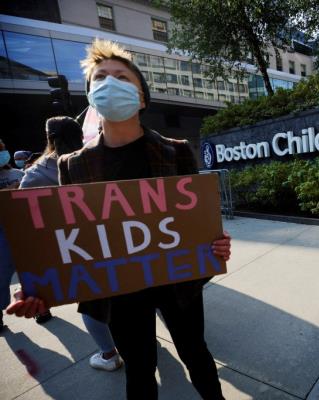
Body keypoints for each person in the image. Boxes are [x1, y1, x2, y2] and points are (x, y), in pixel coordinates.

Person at [7, 39, 231, 399]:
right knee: (140, 370)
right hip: (120, 294)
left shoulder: (176, 152)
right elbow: (73, 236)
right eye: (101, 78)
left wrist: (214, 243)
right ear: (91, 96)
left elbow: (196, 223)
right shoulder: (73, 165)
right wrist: (42, 284)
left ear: (141, 97)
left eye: (122, 77)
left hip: (178, 287)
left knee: (197, 355)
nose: (111, 83)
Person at [19, 116, 122, 371]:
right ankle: (129, 341)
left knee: (90, 300)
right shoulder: (96, 160)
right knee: (119, 292)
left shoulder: (35, 175)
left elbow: (25, 222)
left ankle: (109, 355)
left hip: (72, 249)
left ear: (49, 139)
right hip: (110, 242)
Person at [1, 138, 25, 331]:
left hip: (24, 229)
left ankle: (43, 308)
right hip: (2, 235)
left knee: (33, 268)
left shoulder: (20, 174)